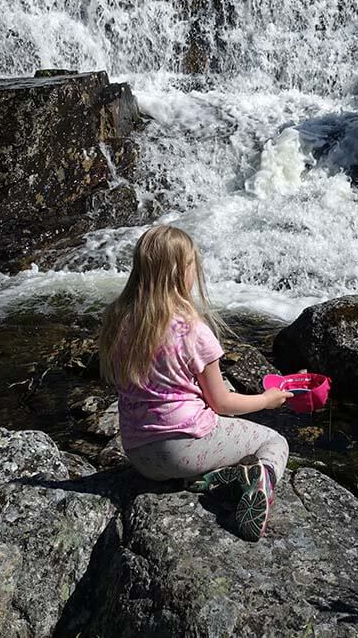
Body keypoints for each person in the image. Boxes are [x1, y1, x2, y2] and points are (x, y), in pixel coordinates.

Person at [98, 224, 293, 542]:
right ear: (180, 273)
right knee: (273, 443)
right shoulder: (192, 330)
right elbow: (222, 403)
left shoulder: (117, 319)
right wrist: (266, 400)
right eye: (192, 265)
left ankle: (209, 477)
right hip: (184, 451)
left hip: (140, 456)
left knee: (210, 436)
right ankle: (259, 482)